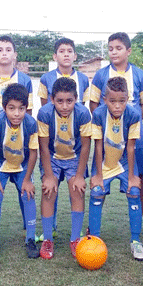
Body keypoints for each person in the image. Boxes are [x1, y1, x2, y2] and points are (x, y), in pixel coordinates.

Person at [89, 32, 143, 240]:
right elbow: (93, 103)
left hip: (133, 135)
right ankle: (94, 229)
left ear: (128, 51)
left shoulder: (139, 74)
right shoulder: (101, 75)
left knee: (138, 179)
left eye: (118, 48)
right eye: (110, 48)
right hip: (107, 135)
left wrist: (127, 124)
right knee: (99, 185)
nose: (114, 52)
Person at [0, 35, 33, 243]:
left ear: (15, 55)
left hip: (18, 142)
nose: (4, 53)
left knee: (24, 186)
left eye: (8, 49)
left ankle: (26, 227)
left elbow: (27, 112)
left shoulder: (25, 80)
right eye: (0, 49)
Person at [88, 77, 143, 261]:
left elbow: (131, 147)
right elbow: (97, 146)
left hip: (125, 162)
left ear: (128, 99)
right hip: (104, 161)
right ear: (105, 100)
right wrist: (97, 174)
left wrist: (132, 176)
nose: (117, 106)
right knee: (97, 191)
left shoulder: (134, 115)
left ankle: (135, 241)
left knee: (134, 190)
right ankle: (94, 238)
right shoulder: (98, 114)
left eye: (122, 101)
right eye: (112, 101)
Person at [37, 77, 91, 259]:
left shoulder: (83, 114)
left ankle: (75, 239)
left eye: (69, 101)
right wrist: (49, 176)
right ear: (52, 99)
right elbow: (43, 147)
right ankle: (47, 239)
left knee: (77, 190)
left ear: (76, 99)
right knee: (48, 190)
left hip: (74, 158)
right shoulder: (44, 114)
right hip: (52, 157)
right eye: (60, 101)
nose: (65, 106)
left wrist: (79, 176)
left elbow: (85, 146)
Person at [0, 84, 39, 259]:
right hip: (2, 163)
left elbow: (33, 152)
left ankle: (30, 239)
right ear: (4, 108)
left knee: (27, 193)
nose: (16, 113)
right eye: (12, 108)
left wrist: (28, 179)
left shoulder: (31, 124)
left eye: (21, 108)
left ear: (26, 108)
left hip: (22, 164)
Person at [38, 37, 89, 106]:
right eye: (62, 51)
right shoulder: (46, 78)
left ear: (75, 56)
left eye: (70, 51)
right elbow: (44, 105)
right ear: (55, 57)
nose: (66, 55)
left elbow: (82, 105)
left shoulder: (83, 79)